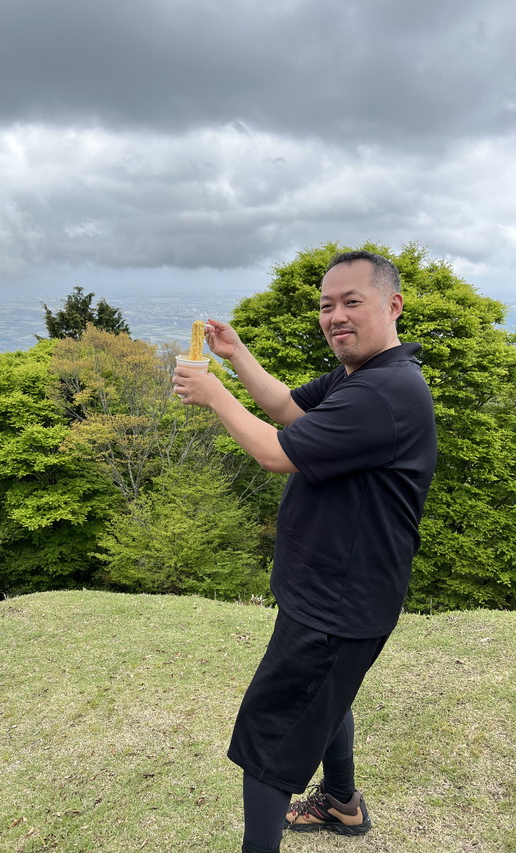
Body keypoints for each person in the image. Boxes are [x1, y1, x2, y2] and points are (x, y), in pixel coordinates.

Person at [172, 250, 437, 853]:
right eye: (326, 305)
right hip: (333, 591)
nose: (335, 316)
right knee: (323, 698)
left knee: (270, 737)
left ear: (392, 306)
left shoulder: (384, 393)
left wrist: (214, 395)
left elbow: (276, 452)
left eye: (351, 302)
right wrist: (237, 357)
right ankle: (341, 803)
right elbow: (289, 411)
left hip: (338, 605)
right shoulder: (360, 378)